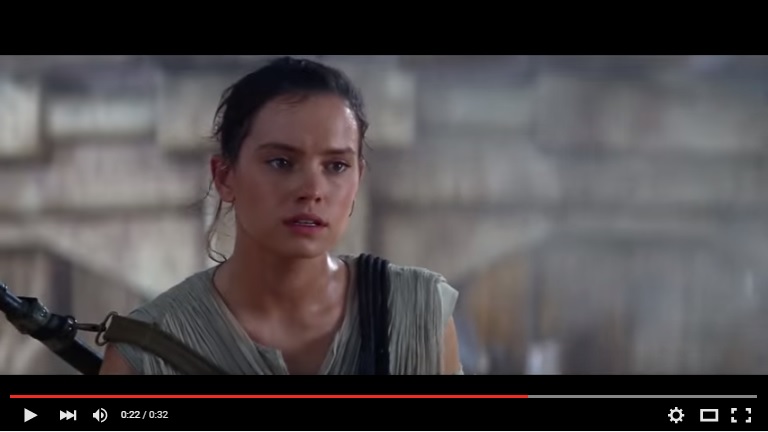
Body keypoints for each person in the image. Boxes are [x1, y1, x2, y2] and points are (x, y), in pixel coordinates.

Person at [99, 56, 461, 375]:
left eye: (336, 166)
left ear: (358, 179)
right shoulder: (146, 352)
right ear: (225, 177)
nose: (312, 189)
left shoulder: (420, 316)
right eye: (281, 162)